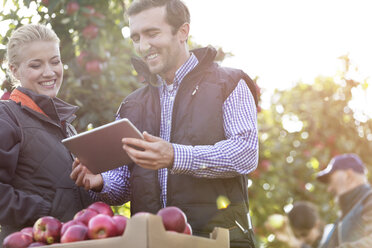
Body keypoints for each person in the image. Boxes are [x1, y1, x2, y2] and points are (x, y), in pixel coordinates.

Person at [71, 0, 259, 247]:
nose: (142, 45)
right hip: (153, 241)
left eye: (152, 33)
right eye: (136, 37)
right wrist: (101, 182)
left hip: (219, 240)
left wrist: (175, 156)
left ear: (183, 32)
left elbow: (245, 153)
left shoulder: (229, 83)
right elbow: (126, 183)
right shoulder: (131, 106)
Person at [0, 24, 92, 243]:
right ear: (14, 70)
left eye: (55, 61)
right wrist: (45, 210)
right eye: (36, 65)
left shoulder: (66, 126)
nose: (49, 72)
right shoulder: (6, 116)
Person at [316, 153, 372, 248]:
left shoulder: (369, 201)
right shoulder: (342, 218)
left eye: (331, 180)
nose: (329, 188)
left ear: (348, 176)